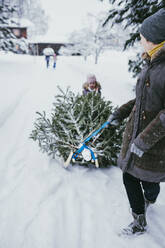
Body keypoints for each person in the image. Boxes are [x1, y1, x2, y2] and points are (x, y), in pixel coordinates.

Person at [108, 8, 165, 235]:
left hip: (153, 144)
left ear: (154, 40)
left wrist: (143, 141)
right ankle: (140, 215)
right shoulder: (151, 63)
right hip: (137, 137)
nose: (140, 40)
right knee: (130, 176)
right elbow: (142, 98)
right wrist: (120, 113)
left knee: (149, 181)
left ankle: (145, 211)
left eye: (142, 37)